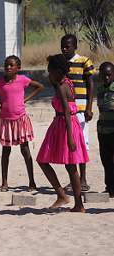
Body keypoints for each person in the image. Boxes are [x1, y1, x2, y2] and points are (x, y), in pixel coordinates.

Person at [0, 55, 44, 192]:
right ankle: (4, 183)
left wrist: (26, 99)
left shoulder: (23, 80)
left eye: (11, 65)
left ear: (18, 68)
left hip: (20, 119)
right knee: (6, 151)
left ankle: (32, 182)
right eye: (6, 65)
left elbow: (40, 87)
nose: (8, 67)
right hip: (5, 121)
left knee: (25, 150)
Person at [37, 54, 89, 213]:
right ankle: (75, 202)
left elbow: (66, 111)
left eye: (50, 71)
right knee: (70, 166)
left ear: (58, 71)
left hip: (65, 125)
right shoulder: (66, 82)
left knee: (44, 160)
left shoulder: (61, 86)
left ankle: (63, 195)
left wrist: (71, 137)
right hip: (65, 124)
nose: (48, 74)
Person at [61, 34, 96, 191]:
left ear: (75, 46)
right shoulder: (61, 63)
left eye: (67, 46)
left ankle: (83, 179)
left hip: (81, 110)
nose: (64, 49)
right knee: (71, 144)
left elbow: (91, 85)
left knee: (82, 143)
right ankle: (74, 179)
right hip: (67, 111)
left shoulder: (83, 61)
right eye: (62, 46)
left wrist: (89, 107)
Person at [97, 62, 114, 198]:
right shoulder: (100, 89)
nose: (106, 78)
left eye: (109, 75)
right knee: (105, 160)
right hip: (102, 130)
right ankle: (109, 187)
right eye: (103, 76)